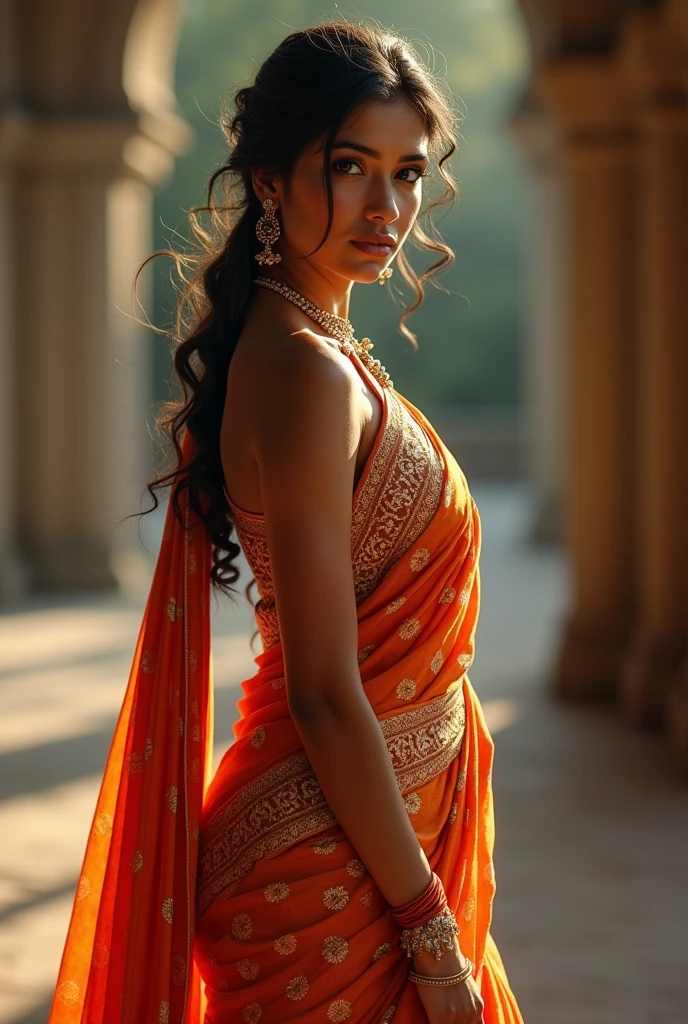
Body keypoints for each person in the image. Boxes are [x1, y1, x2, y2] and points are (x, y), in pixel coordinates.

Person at [47, 21, 524, 1024]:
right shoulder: (305, 376)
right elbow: (321, 692)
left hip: (356, 839)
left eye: (407, 172)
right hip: (328, 874)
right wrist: (432, 943)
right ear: (270, 181)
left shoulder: (312, 351)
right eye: (349, 167)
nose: (386, 206)